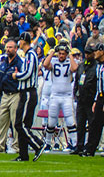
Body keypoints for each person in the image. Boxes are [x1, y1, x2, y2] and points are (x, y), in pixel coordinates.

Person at [13, 32, 46, 161]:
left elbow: (28, 73)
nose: (18, 43)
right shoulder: (28, 55)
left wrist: (17, 76)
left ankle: (38, 144)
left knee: (20, 124)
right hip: (25, 92)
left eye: (20, 41)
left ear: (23, 41)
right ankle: (23, 154)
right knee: (23, 124)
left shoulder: (31, 55)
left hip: (28, 92)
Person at [43, 41, 78, 152]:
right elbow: (45, 64)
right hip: (55, 95)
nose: (61, 55)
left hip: (67, 95)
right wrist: (53, 51)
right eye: (60, 53)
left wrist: (70, 54)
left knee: (70, 121)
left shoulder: (70, 61)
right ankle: (47, 144)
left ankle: (74, 144)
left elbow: (74, 68)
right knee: (51, 121)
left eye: (63, 53)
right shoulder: (53, 60)